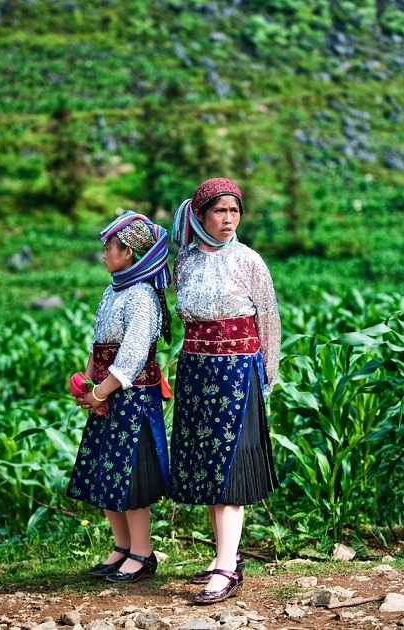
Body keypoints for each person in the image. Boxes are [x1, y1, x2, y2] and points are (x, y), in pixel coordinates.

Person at [170, 178, 281, 605]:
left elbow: (268, 318)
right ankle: (227, 556)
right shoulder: (186, 262)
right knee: (208, 464)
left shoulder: (250, 261)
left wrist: (266, 374)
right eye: (219, 211)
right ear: (200, 216)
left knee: (230, 465)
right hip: (197, 370)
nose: (228, 219)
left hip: (237, 371)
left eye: (234, 211)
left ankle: (225, 566)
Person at [67, 211, 172, 584]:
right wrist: (87, 383)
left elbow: (132, 355)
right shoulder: (113, 291)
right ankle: (122, 546)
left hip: (132, 399)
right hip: (107, 396)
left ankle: (142, 553)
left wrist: (100, 391)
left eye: (109, 247)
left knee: (131, 478)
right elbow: (100, 345)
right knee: (105, 473)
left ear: (128, 253)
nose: (104, 254)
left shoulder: (142, 296)